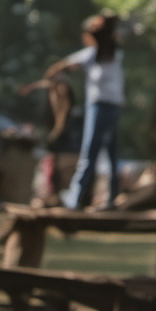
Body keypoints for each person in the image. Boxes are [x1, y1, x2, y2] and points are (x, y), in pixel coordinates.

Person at [26, 11, 124, 210]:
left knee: (105, 153)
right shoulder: (89, 56)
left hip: (111, 107)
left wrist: (101, 23)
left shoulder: (114, 53)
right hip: (99, 106)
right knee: (93, 153)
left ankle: (103, 199)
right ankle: (77, 198)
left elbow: (111, 31)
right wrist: (57, 84)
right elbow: (57, 69)